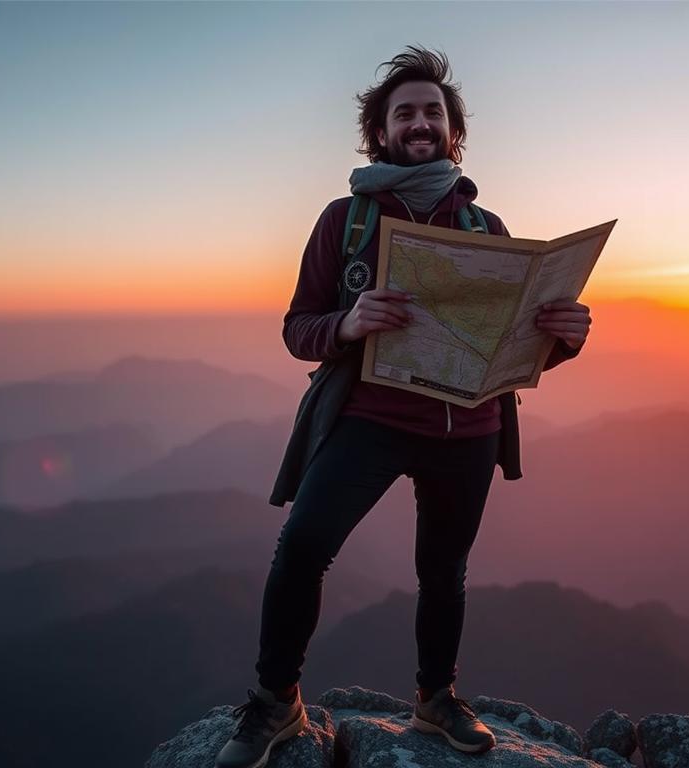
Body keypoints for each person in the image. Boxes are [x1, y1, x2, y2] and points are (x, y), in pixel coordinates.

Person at [214, 46, 592, 768]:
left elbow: (516, 344)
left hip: (470, 426)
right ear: (379, 131)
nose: (420, 123)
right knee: (303, 547)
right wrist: (348, 325)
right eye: (404, 113)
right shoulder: (345, 221)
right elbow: (299, 327)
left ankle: (435, 699)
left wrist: (564, 338)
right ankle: (275, 703)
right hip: (373, 420)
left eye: (433, 112)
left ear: (452, 132)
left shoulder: (488, 228)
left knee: (444, 570)